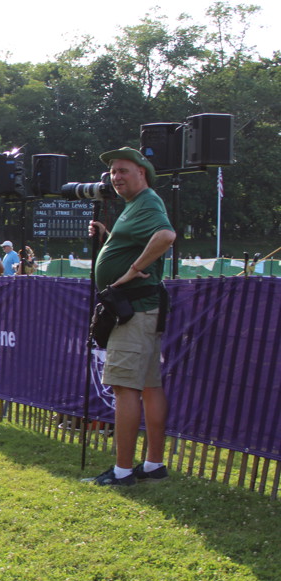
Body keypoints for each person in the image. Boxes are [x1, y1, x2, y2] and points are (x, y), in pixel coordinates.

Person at [85, 147, 175, 486]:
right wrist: (109, 239)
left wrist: (134, 269)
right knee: (150, 386)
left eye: (123, 170)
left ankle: (122, 471)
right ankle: (153, 465)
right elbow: (138, 242)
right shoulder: (136, 205)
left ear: (142, 172)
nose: (115, 177)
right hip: (141, 309)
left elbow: (166, 236)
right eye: (113, 172)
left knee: (124, 388)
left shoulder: (147, 202)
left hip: (134, 311)